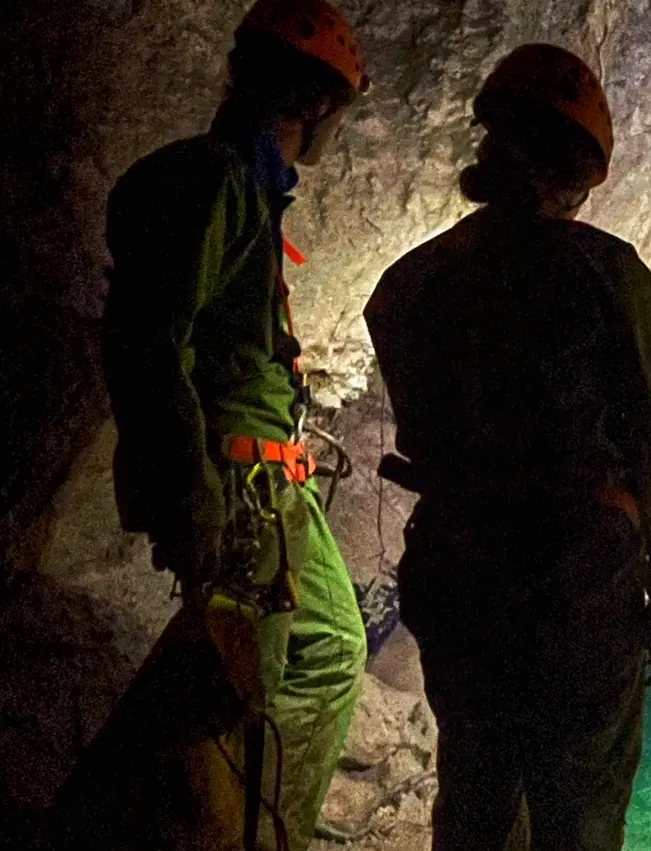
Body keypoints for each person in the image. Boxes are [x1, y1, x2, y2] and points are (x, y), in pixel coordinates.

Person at [49, 3, 369, 849]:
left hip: (268, 480)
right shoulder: (218, 182)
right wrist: (191, 496)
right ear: (315, 103)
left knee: (315, 649)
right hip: (239, 485)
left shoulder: (248, 191)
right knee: (231, 687)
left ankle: (192, 823)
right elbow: (150, 343)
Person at [364, 43, 651, 851]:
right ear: (580, 175)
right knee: (578, 813)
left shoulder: (413, 280)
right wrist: (647, 528)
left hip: (460, 583)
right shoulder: (606, 273)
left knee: (475, 795)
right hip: (577, 596)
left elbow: (422, 415)